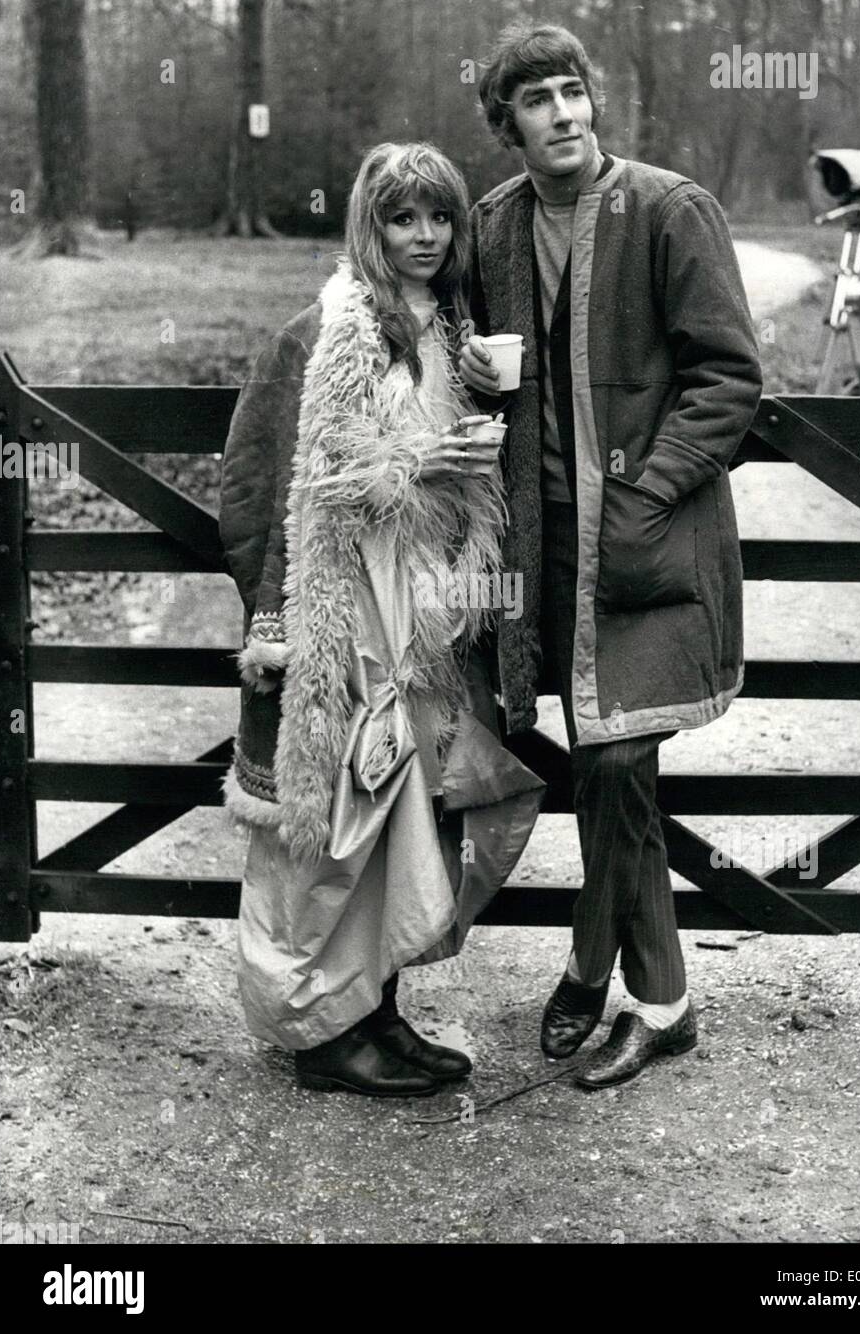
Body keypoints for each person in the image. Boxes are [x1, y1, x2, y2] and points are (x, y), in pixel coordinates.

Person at [460, 25, 763, 1090]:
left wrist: (640, 488)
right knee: (600, 773)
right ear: (507, 126)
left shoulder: (670, 208)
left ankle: (627, 985)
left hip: (646, 542)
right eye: (537, 99)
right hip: (545, 558)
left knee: (621, 764)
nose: (565, 113)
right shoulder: (492, 227)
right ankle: (611, 973)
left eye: (573, 90)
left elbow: (728, 377)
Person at [219, 142, 545, 1098]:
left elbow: (453, 470)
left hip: (422, 622)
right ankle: (317, 1037)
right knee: (330, 828)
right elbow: (255, 492)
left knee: (406, 816)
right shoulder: (316, 337)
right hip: (342, 616)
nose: (425, 237)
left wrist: (484, 416)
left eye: (439, 219)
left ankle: (375, 1012)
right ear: (371, 222)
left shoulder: (447, 332)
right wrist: (276, 619)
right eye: (403, 219)